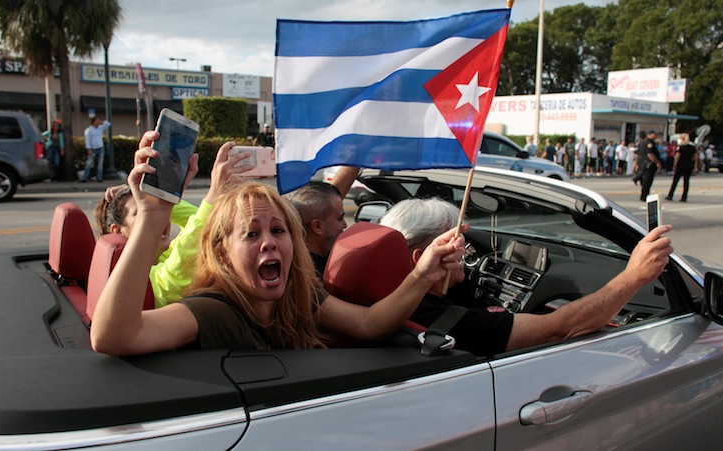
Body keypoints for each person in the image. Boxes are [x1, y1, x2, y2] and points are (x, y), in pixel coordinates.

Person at [89, 133, 466, 356]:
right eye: (251, 234)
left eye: (279, 231)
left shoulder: (300, 295)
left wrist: (421, 272)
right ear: (222, 253)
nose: (269, 243)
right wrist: (153, 217)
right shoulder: (214, 310)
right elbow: (114, 335)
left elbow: (369, 325)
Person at [379, 198, 672, 356]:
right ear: (421, 259)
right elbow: (561, 328)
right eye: (456, 245)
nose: (466, 254)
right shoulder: (451, 321)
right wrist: (634, 275)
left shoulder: (375, 297)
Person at [93, 140, 247, 307]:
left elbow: (202, 223)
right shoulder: (139, 277)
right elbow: (179, 267)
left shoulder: (163, 257)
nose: (161, 218)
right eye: (140, 212)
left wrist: (155, 196)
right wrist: (214, 191)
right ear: (117, 231)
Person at [285, 166, 360, 278]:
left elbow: (325, 203)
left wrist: (357, 157)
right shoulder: (308, 278)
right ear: (317, 227)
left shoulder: (295, 260)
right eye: (340, 218)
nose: (345, 225)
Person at [666, 132, 698, 203]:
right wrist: (695, 165)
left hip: (680, 166)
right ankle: (684, 197)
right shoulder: (692, 147)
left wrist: (674, 165)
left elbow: (677, 156)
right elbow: (695, 157)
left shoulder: (680, 147)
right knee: (686, 182)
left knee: (675, 181)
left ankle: (670, 195)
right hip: (689, 166)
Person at [633, 130, 662, 201]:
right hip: (649, 164)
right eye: (654, 134)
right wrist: (657, 162)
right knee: (647, 181)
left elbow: (637, 154)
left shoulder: (641, 142)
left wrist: (636, 164)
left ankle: (638, 179)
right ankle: (644, 196)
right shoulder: (650, 143)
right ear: (650, 134)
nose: (656, 136)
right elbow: (650, 154)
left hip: (642, 163)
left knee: (644, 180)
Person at [81, 117, 111, 183]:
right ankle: (85, 178)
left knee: (100, 164)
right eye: (97, 121)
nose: (98, 122)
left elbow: (108, 124)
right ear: (93, 122)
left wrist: (102, 122)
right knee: (89, 163)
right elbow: (87, 140)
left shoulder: (100, 129)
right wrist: (89, 149)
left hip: (100, 147)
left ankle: (99, 178)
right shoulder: (88, 130)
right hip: (93, 148)